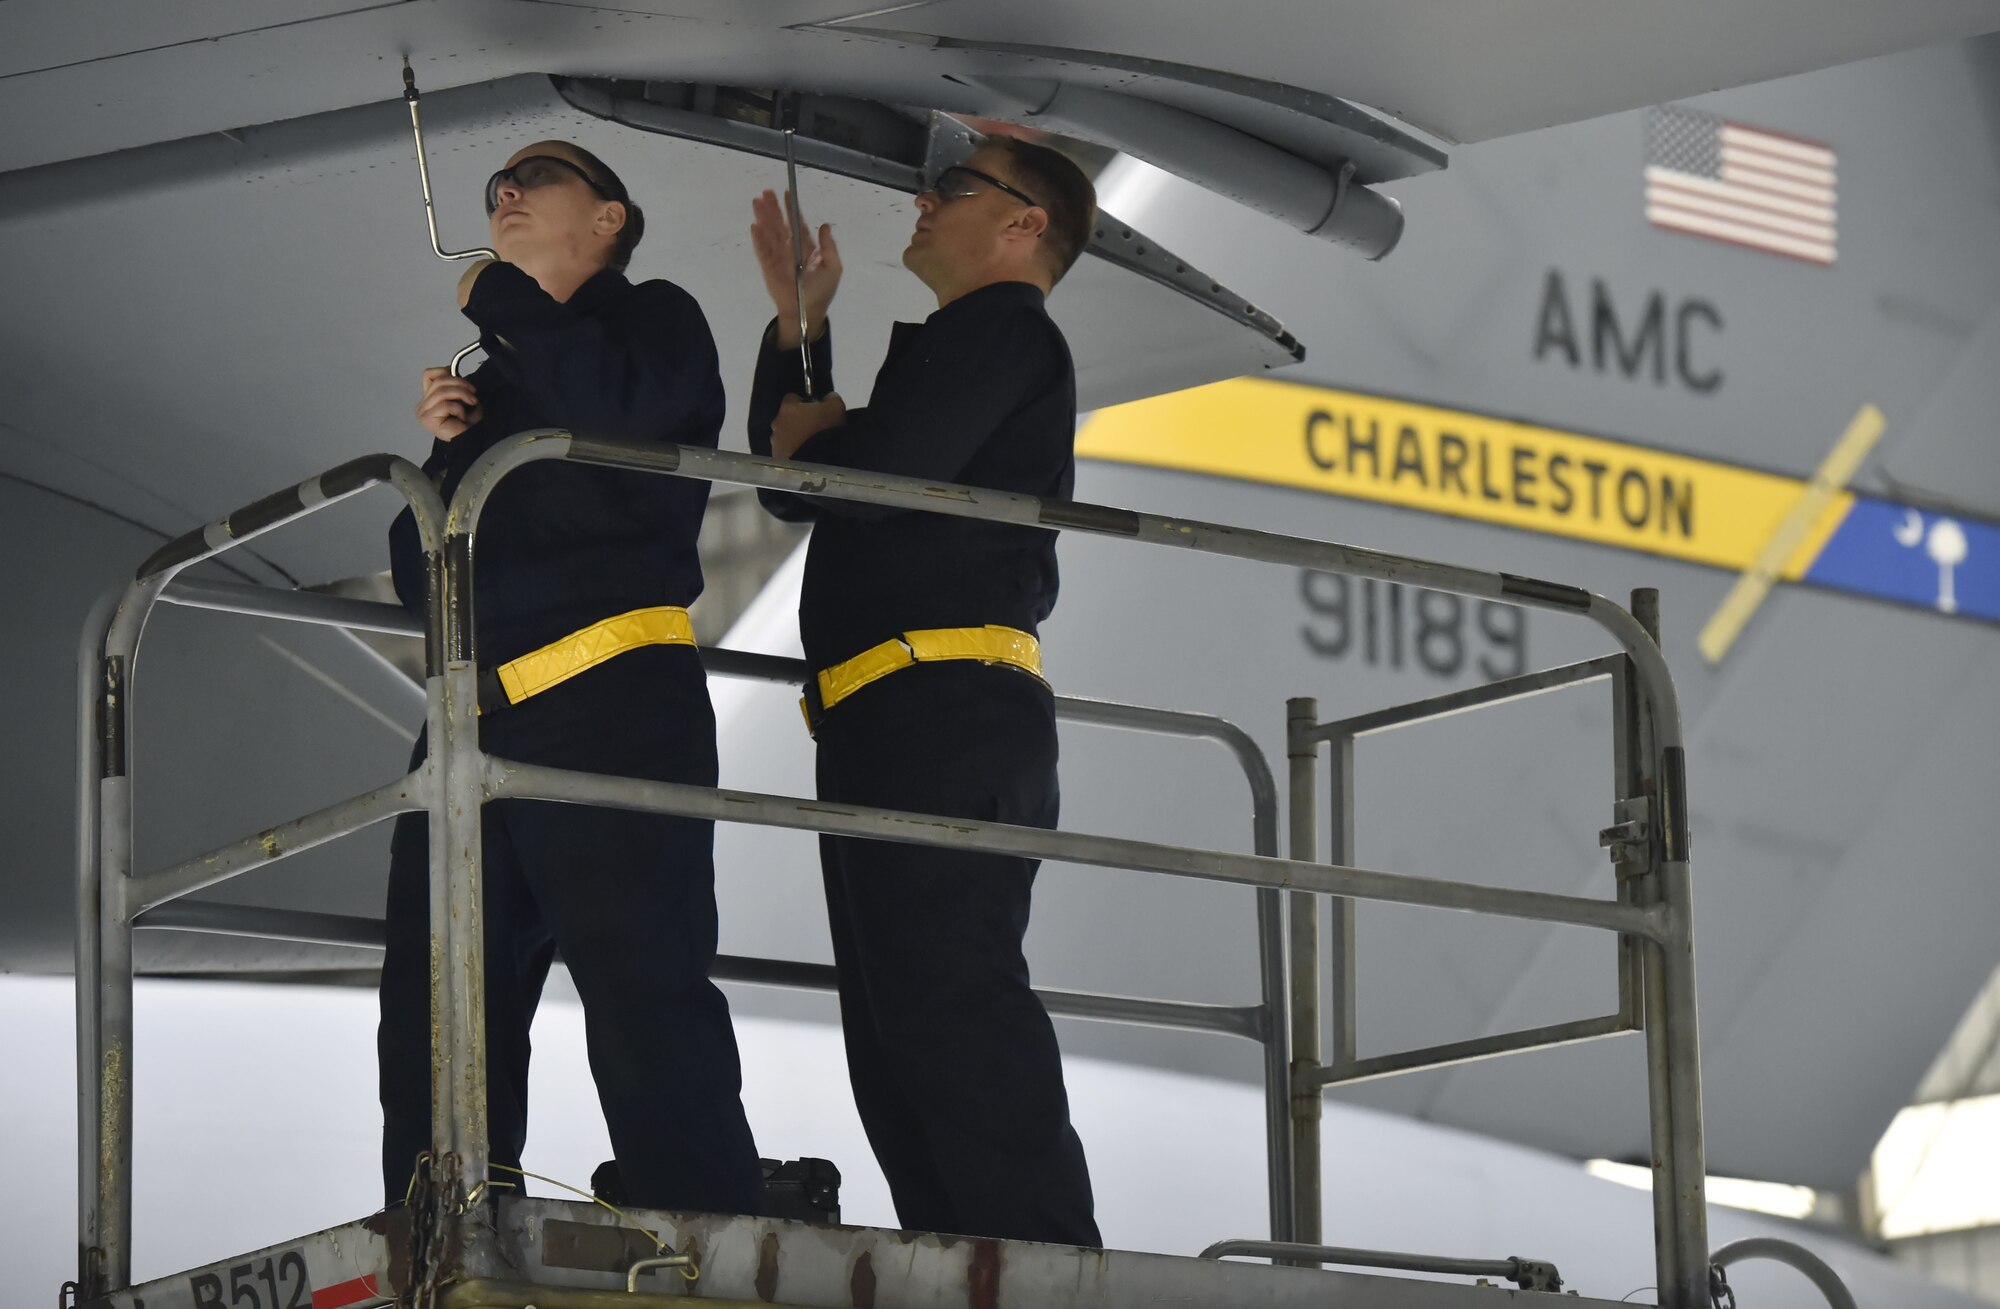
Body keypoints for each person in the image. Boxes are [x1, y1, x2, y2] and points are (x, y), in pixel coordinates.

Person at [378, 139, 762, 1215]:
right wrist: (447, 458)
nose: (504, 192)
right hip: (470, 720)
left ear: (610, 220)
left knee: (641, 988)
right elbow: (421, 577)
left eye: (536, 177)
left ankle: (700, 1228)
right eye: (496, 185)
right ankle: (442, 1217)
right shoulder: (498, 380)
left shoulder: (656, 322)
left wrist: (493, 294)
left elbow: (620, 407)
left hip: (610, 702)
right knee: (437, 1002)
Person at [744, 137, 1101, 1246]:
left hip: (939, 704)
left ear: (1022, 224)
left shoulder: (1003, 328)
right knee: (898, 1017)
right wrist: (801, 338)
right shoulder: (972, 339)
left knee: (946, 1002)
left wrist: (825, 443)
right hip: (893, 712)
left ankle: (1039, 1260)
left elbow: (863, 474)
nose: (924, 198)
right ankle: (963, 1252)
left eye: (953, 187)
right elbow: (817, 484)